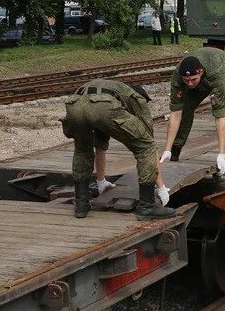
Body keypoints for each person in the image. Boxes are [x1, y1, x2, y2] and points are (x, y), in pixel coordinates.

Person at [61, 79, 175, 220]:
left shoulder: (113, 91)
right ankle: (147, 206)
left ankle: (81, 204)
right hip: (103, 106)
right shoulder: (137, 97)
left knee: (82, 150)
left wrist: (101, 181)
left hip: (75, 104)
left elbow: (100, 145)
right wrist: (162, 188)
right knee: (146, 146)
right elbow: (148, 143)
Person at [161, 49, 225, 184]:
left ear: (201, 72)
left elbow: (219, 116)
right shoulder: (178, 76)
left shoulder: (215, 72)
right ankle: (174, 152)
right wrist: (167, 150)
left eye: (193, 79)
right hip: (205, 77)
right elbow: (175, 113)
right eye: (186, 80)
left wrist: (221, 154)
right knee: (185, 109)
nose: (190, 84)